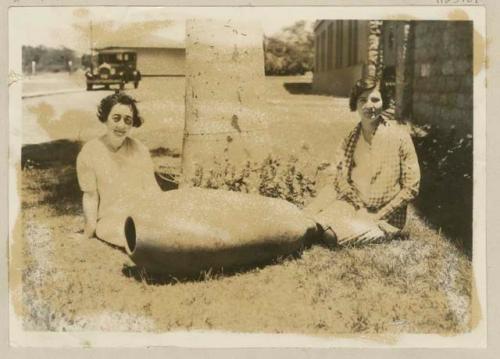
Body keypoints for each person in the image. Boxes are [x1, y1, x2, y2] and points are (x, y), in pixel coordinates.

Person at [304, 77, 420, 247]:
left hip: (384, 216)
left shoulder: (400, 137)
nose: (369, 105)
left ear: (384, 102)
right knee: (312, 223)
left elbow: (412, 187)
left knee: (330, 235)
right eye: (363, 100)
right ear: (355, 104)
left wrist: (377, 215)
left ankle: (350, 229)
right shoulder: (351, 138)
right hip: (353, 204)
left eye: (375, 99)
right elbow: (338, 178)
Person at [76, 92, 160, 247]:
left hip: (143, 214)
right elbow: (90, 197)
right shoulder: (89, 152)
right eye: (116, 118)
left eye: (128, 120)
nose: (121, 125)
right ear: (106, 118)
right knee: (139, 238)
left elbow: (152, 189)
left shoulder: (140, 150)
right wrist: (89, 232)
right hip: (111, 220)